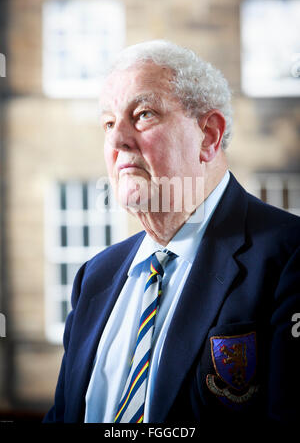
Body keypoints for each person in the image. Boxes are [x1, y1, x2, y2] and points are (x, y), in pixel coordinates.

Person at [44, 40, 300, 427]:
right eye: (109, 123)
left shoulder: (289, 255)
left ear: (209, 136)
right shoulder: (94, 277)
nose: (117, 142)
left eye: (143, 114)